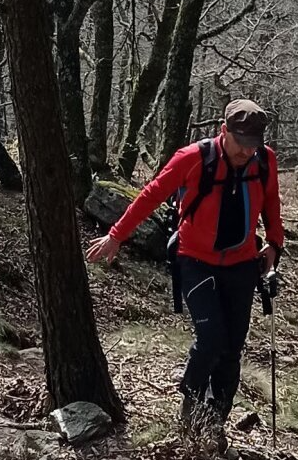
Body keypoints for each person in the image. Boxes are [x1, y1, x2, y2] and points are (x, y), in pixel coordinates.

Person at [86, 98, 284, 436]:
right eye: (241, 144)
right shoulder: (193, 158)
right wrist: (117, 236)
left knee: (232, 348)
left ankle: (215, 421)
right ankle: (190, 408)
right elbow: (151, 194)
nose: (247, 152)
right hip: (195, 260)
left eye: (254, 145)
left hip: (241, 265)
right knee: (211, 338)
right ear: (224, 132)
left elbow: (271, 205)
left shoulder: (264, 161)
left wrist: (275, 244)